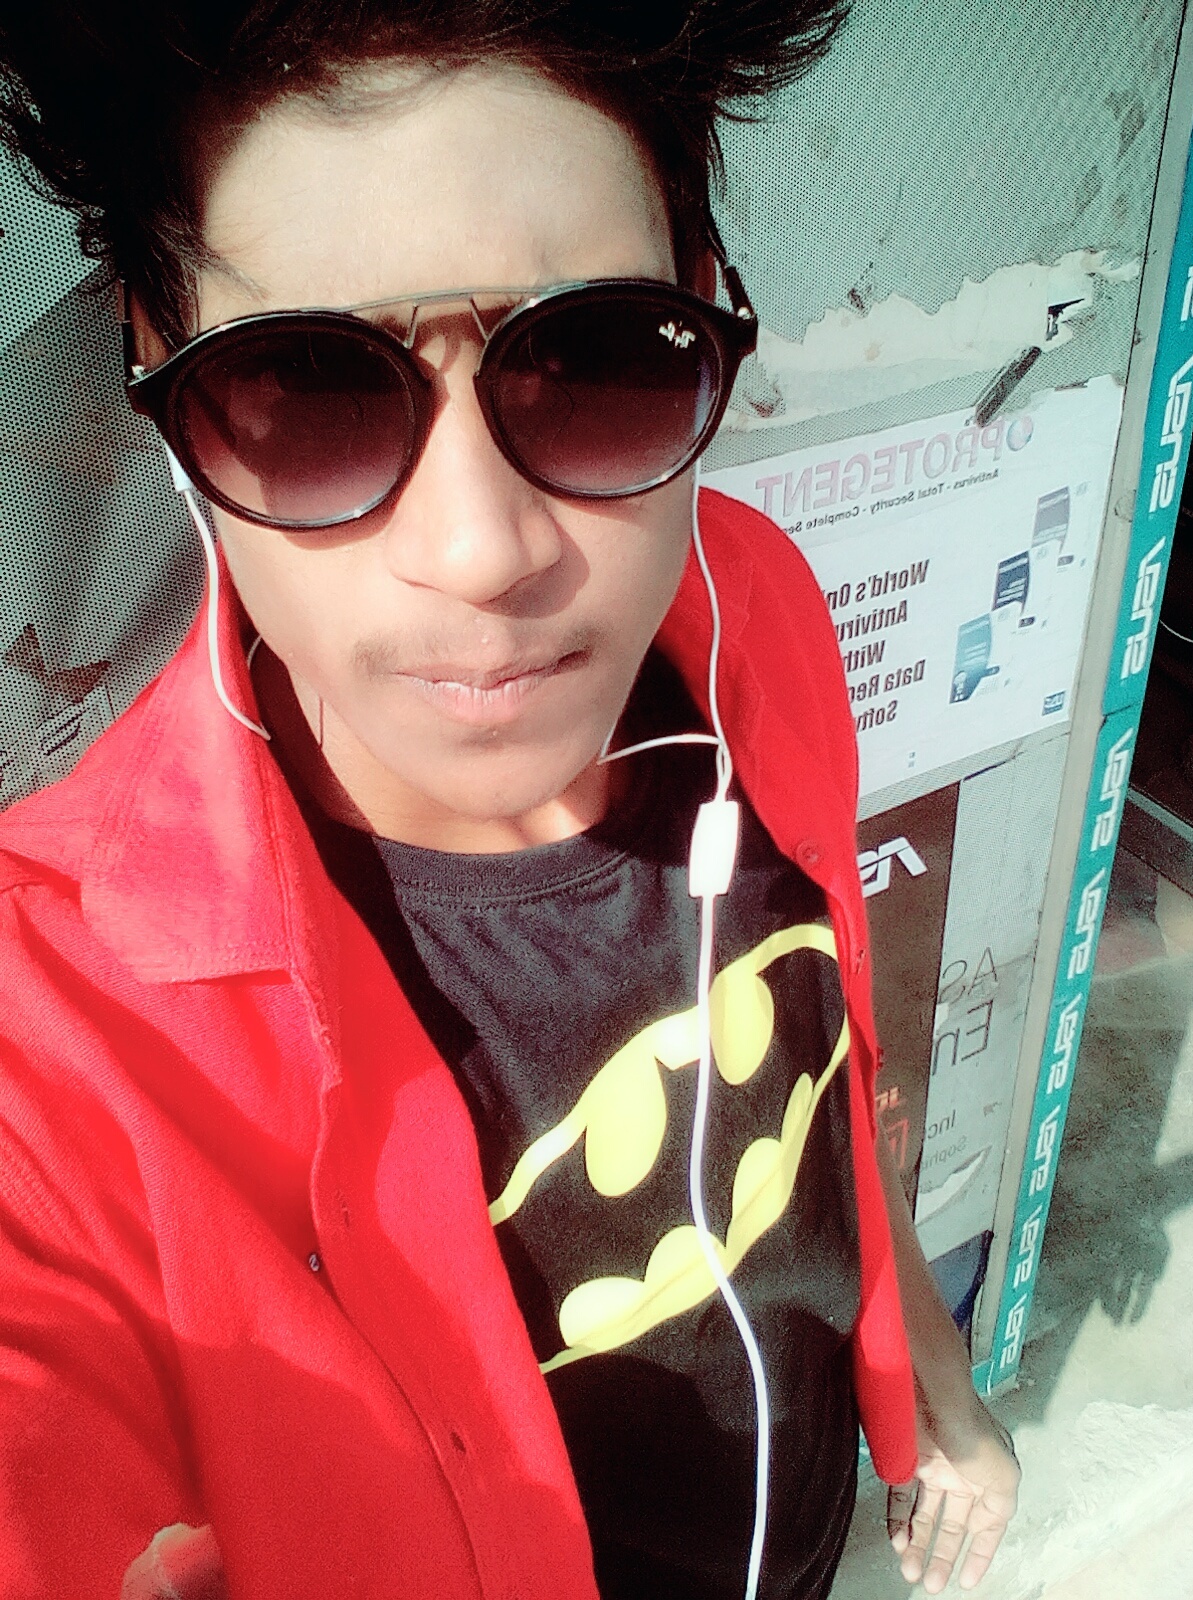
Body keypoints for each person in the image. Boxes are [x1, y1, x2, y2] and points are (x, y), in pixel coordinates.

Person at [0, 4, 1020, 1597]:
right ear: (158, 371)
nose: (485, 552)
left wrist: (933, 1383)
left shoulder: (750, 608)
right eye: (306, 389)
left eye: (593, 356)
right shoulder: (58, 1022)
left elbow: (833, 1071)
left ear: (706, 307)